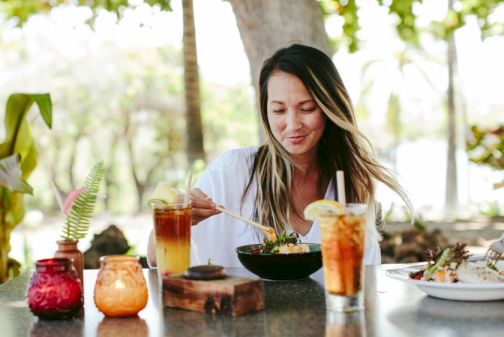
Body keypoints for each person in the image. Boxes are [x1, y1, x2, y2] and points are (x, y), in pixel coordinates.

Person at [148, 44, 413, 268]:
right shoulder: (235, 171)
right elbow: (156, 258)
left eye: (307, 108)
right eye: (278, 110)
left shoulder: (350, 188)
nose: (293, 124)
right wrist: (174, 220)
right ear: (265, 112)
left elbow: (364, 279)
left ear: (329, 108)